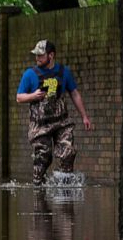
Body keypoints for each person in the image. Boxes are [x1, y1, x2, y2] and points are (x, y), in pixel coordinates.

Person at [16, 40, 92, 185]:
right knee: (43, 158)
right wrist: (33, 96)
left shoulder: (64, 72)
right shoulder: (30, 74)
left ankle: (65, 188)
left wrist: (84, 117)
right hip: (40, 125)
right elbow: (19, 97)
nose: (37, 58)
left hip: (61, 123)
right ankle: (39, 189)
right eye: (36, 55)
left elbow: (74, 94)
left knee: (67, 153)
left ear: (51, 55)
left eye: (41, 55)